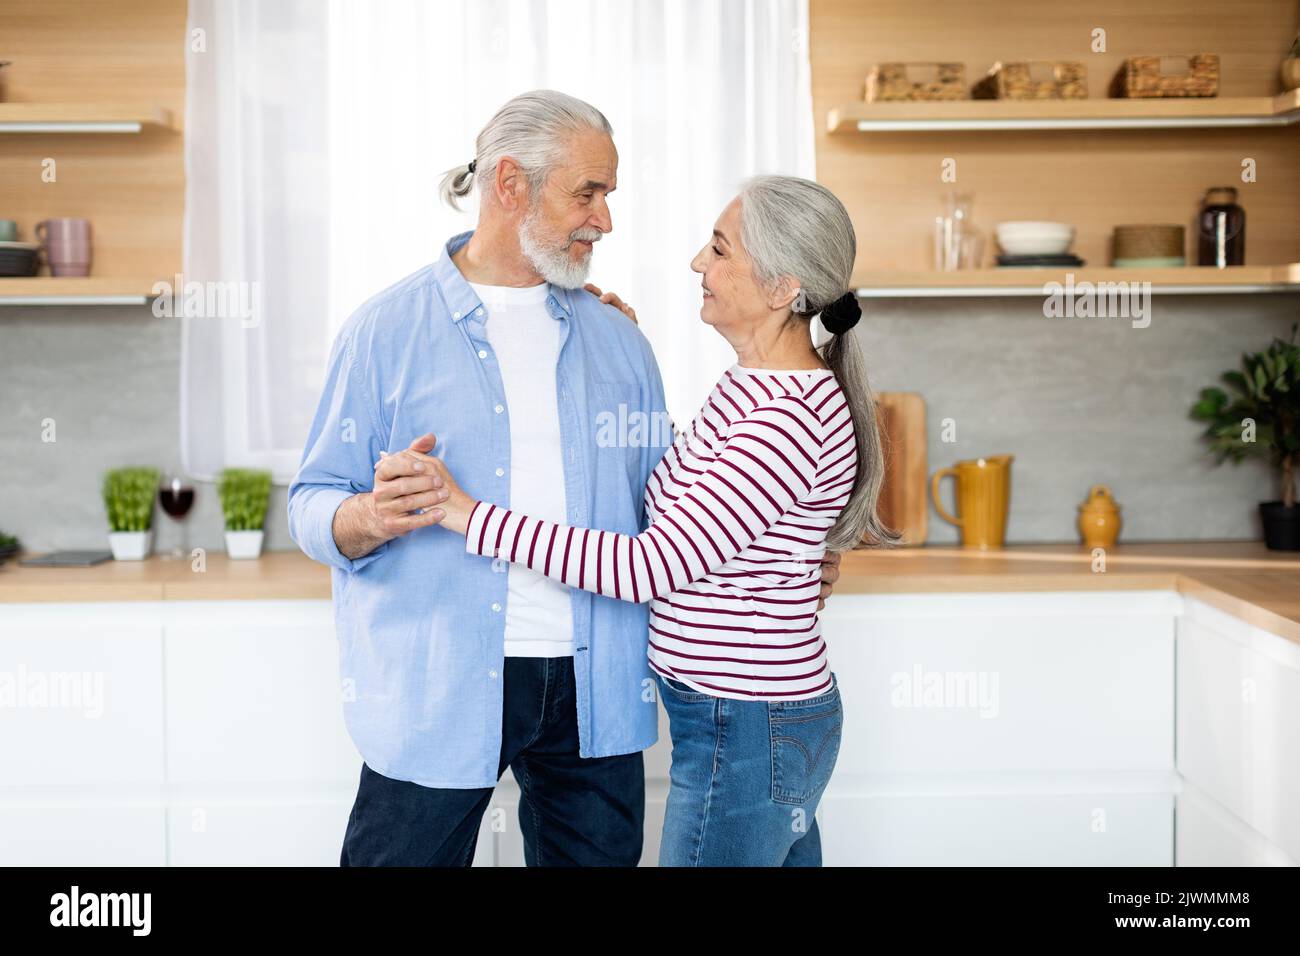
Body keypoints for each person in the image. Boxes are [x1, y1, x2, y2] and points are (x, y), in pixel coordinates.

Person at [287, 90, 844, 867]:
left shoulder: (619, 342)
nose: (604, 220)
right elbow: (311, 504)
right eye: (588, 193)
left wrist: (777, 548)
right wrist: (369, 519)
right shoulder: (386, 332)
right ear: (510, 183)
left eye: (608, 196)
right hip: (439, 687)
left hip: (597, 689)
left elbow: (668, 508)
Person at [421, 174, 899, 866]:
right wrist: (623, 360)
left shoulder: (784, 417)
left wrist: (468, 515)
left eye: (720, 249)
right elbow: (691, 493)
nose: (698, 264)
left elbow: (648, 566)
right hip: (751, 723)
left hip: (745, 729)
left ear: (780, 287)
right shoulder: (755, 383)